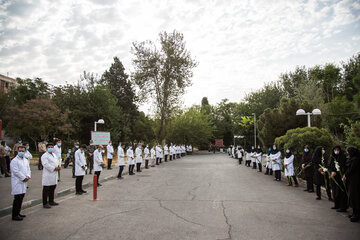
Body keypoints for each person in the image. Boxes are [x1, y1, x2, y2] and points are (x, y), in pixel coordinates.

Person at [10, 145, 31, 221]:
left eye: (23, 151)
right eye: (20, 151)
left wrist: (28, 176)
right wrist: (23, 177)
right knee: (17, 199)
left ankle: (18, 213)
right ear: (17, 151)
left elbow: (28, 169)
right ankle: (14, 215)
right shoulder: (14, 161)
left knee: (21, 198)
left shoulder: (25, 160)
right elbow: (16, 171)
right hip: (17, 182)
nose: (21, 152)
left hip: (24, 181)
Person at [328, 145, 348, 212]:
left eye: (337, 149)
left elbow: (343, 166)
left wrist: (337, 171)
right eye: (335, 150)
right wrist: (331, 171)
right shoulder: (332, 157)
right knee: (335, 191)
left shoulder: (342, 156)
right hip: (333, 177)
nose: (336, 151)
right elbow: (329, 165)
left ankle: (342, 207)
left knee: (341, 191)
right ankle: (336, 205)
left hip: (340, 177)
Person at [41, 143, 60, 208]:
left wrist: (58, 166)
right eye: (49, 147)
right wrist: (54, 168)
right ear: (46, 148)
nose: (50, 148)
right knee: (46, 189)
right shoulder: (44, 156)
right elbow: (45, 164)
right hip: (48, 174)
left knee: (53, 188)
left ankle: (51, 201)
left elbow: (56, 162)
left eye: (52, 147)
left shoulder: (54, 155)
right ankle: (45, 203)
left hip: (54, 174)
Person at [344, 146, 360, 222]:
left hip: (355, 181)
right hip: (351, 180)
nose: (347, 153)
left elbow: (351, 169)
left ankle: (356, 214)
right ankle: (354, 212)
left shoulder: (355, 160)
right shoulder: (352, 159)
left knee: (355, 196)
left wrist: (345, 175)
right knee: (352, 196)